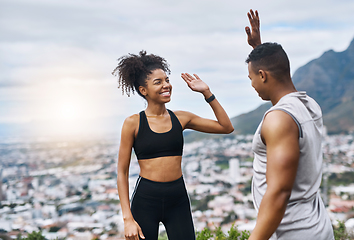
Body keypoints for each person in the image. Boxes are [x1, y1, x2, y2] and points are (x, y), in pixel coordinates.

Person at [113, 50, 234, 240]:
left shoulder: (181, 118)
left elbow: (226, 127)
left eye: (167, 80)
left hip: (177, 198)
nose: (166, 85)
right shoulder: (133, 123)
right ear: (143, 90)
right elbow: (122, 172)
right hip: (146, 200)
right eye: (158, 82)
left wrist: (207, 93)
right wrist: (127, 218)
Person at [244, 10, 334, 240]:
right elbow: (272, 69)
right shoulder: (309, 105)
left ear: (262, 76)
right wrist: (258, 49)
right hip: (316, 224)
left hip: (292, 231)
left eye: (251, 77)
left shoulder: (278, 119)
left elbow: (279, 192)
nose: (252, 84)